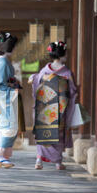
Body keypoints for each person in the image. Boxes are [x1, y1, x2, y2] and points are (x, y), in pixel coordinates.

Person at [28, 41, 77, 171]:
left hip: (44, 108)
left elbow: (36, 84)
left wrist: (33, 78)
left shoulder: (44, 71)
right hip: (60, 109)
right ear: (63, 54)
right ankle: (58, 162)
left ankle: (39, 160)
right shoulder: (67, 73)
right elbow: (72, 91)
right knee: (58, 135)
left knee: (44, 133)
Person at [0, 31, 20, 169]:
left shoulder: (4, 62)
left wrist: (14, 85)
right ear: (12, 48)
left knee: (8, 125)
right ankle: (0, 156)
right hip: (5, 99)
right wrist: (13, 89)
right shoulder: (2, 63)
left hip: (8, 99)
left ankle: (2, 155)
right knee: (8, 126)